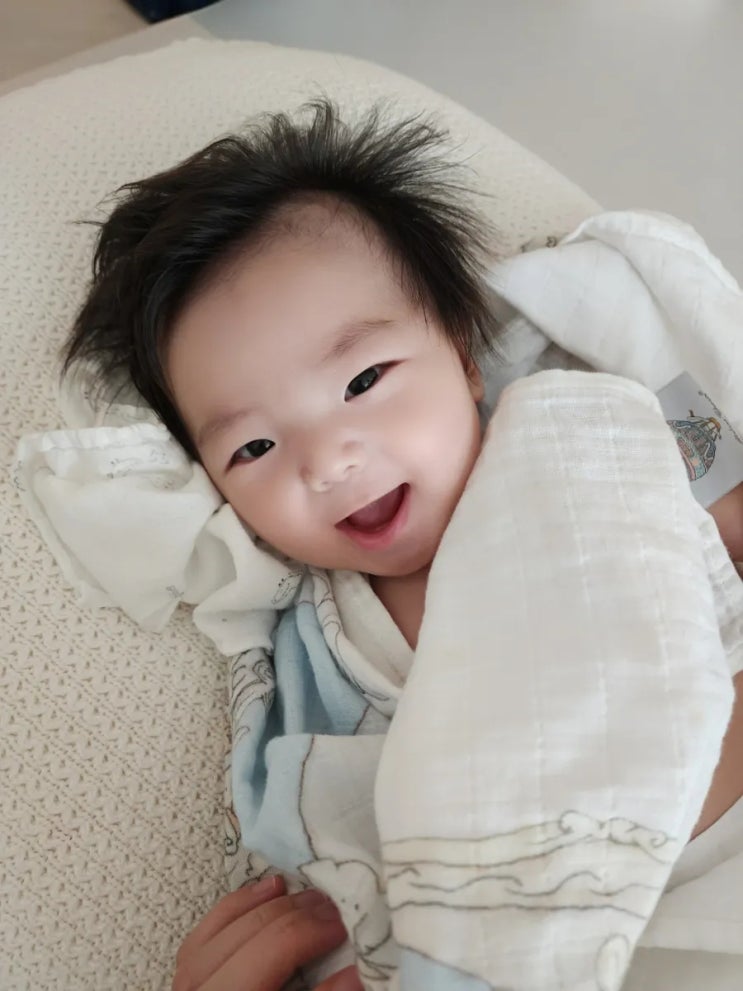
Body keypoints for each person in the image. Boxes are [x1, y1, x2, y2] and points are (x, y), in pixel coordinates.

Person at [62, 99, 743, 990]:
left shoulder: (590, 426)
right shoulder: (309, 649)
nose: (326, 460)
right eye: (253, 447)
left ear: (461, 354)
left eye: (363, 380)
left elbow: (706, 450)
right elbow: (327, 838)